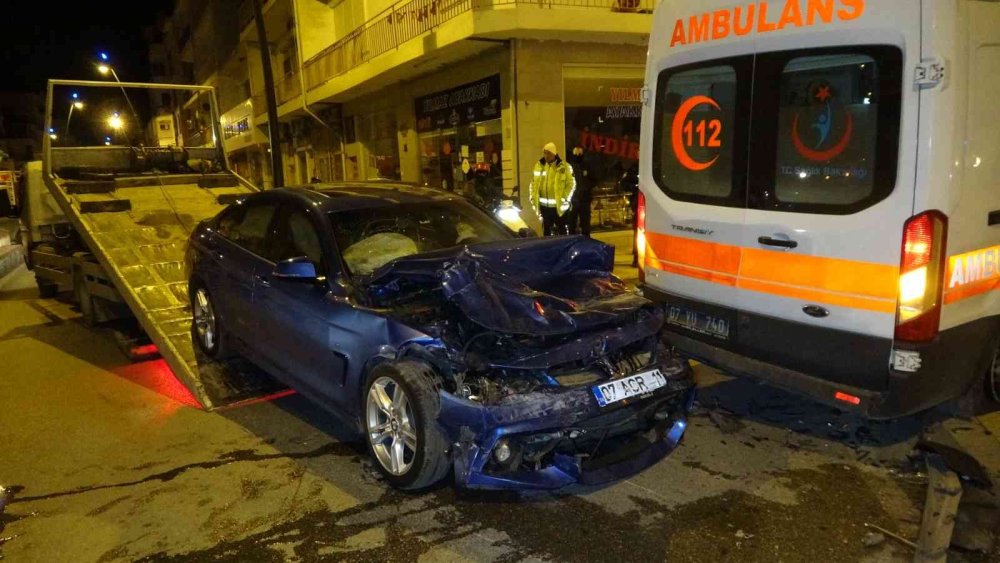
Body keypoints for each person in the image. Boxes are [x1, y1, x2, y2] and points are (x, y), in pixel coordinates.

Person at [529, 142, 575, 236]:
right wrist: (532, 197)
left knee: (562, 231)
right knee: (546, 232)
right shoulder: (539, 166)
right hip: (544, 208)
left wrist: (565, 198)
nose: (546, 156)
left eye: (548, 153)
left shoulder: (564, 167)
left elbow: (571, 184)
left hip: (559, 207)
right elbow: (533, 183)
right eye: (544, 153)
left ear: (554, 154)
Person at [565, 145, 595, 237]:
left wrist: (586, 189)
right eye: (576, 153)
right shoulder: (569, 167)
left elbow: (594, 180)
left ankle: (586, 241)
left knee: (585, 226)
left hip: (584, 200)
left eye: (579, 153)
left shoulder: (587, 166)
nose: (578, 155)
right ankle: (572, 241)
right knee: (572, 225)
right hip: (573, 200)